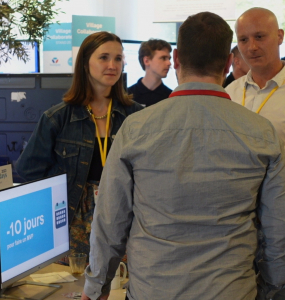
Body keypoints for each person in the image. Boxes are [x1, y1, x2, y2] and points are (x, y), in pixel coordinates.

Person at [81, 12, 285, 300]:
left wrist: (97, 285)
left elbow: (110, 219)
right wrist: (273, 289)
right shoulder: (262, 133)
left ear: (176, 59)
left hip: (153, 291)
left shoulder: (136, 129)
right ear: (228, 62)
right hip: (232, 291)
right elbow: (278, 230)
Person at [15, 31, 143, 259]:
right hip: (74, 222)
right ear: (85, 63)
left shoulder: (137, 116)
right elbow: (28, 172)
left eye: (118, 58)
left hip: (124, 220)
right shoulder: (58, 118)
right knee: (74, 289)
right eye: (103, 57)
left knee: (121, 288)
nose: (112, 65)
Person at [225, 7, 285, 146]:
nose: (252, 47)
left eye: (259, 37)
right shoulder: (230, 93)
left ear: (279, 36)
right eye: (243, 39)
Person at [127, 39, 172, 107]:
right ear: (146, 61)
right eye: (163, 58)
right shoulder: (128, 96)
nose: (169, 63)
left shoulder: (171, 97)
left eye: (169, 58)